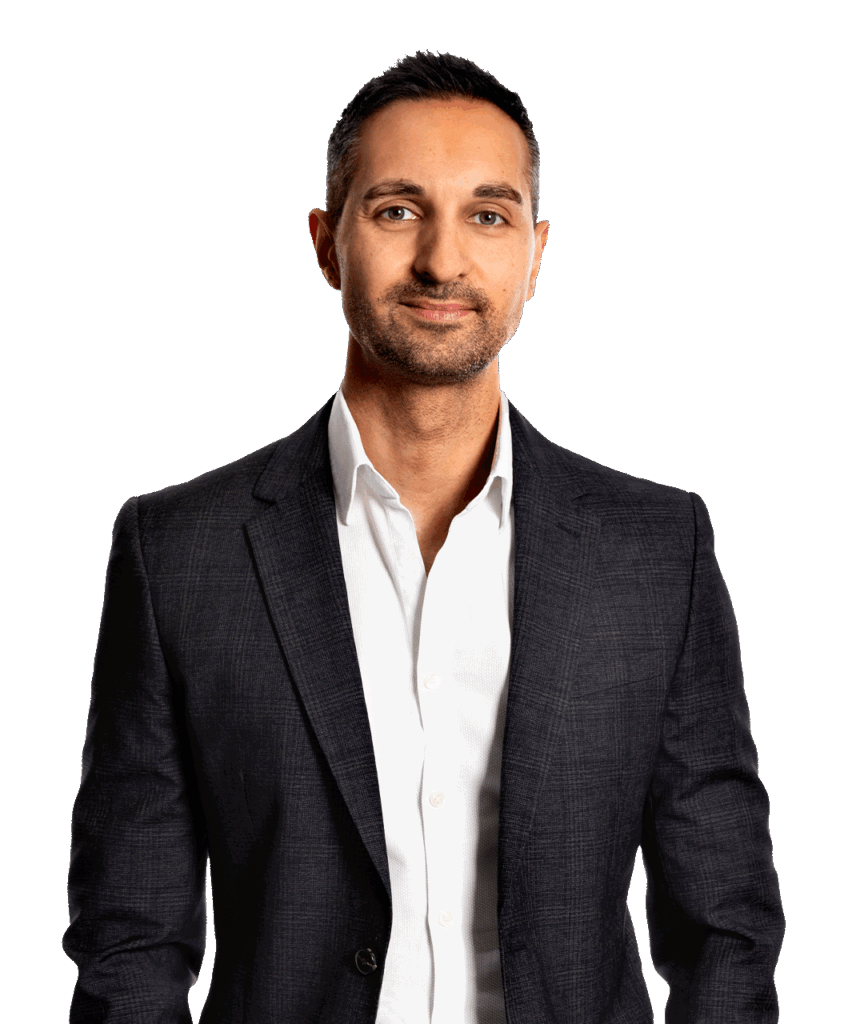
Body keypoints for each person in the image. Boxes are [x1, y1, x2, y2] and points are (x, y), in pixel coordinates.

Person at [63, 50, 784, 1023]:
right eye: (398, 210)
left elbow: (726, 927)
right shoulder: (179, 553)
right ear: (326, 245)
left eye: (487, 216)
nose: (443, 261)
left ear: (534, 253)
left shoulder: (656, 548)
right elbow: (129, 940)